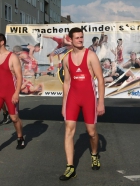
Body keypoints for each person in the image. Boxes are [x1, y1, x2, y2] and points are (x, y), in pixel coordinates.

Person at [60, 27, 105, 181]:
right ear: (70, 39)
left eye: (81, 37)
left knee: (91, 132)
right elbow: (66, 83)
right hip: (73, 98)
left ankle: (94, 154)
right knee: (69, 131)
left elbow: (100, 79)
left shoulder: (91, 55)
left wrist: (101, 103)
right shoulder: (66, 59)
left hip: (89, 99)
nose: (80, 40)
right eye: (77, 38)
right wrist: (63, 103)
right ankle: (70, 167)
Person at [0, 33, 25, 156]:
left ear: (2, 42)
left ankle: (20, 137)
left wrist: (16, 93)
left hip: (10, 92)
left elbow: (19, 76)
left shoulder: (12, 57)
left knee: (14, 118)